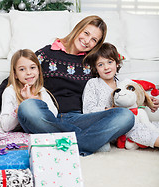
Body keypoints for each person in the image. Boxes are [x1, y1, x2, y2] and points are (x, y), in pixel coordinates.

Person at [15, 15, 135, 156]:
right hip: (47, 115)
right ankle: (86, 142)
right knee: (27, 107)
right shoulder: (46, 53)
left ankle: (62, 141)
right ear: (78, 29)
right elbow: (17, 74)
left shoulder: (92, 62)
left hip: (79, 119)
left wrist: (144, 97)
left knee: (126, 116)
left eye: (94, 40)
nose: (87, 41)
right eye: (86, 33)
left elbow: (111, 83)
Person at [82, 42, 159, 149]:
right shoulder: (93, 83)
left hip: (129, 122)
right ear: (95, 68)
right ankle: (155, 140)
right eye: (101, 64)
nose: (106, 67)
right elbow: (87, 109)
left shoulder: (123, 84)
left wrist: (149, 101)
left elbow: (135, 98)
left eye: (110, 62)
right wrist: (111, 110)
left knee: (149, 125)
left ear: (117, 63)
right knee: (137, 130)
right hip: (110, 125)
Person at [0, 49, 58, 132]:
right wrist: (24, 104)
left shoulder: (41, 90)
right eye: (22, 69)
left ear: (38, 70)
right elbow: (6, 126)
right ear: (15, 74)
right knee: (27, 105)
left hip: (43, 128)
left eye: (32, 67)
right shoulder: (10, 91)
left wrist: (37, 102)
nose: (28, 72)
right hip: (25, 130)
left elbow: (53, 116)